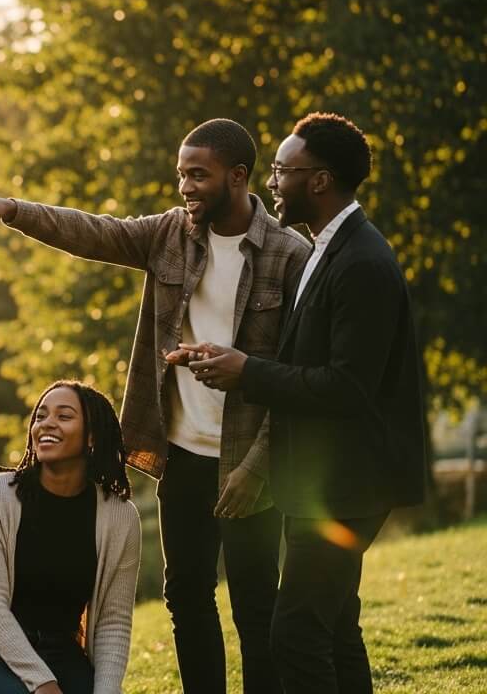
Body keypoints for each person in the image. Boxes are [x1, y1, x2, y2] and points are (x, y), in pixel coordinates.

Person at [0, 118, 311, 694]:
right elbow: (93, 232)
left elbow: (294, 378)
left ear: (238, 177)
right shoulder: (170, 234)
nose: (185, 187)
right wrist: (11, 210)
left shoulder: (292, 256)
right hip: (182, 454)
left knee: (255, 603)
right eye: (180, 175)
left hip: (249, 460)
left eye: (198, 175)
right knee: (188, 597)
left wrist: (256, 468)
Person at [170, 113, 427, 694]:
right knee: (335, 629)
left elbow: (348, 387)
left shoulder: (363, 263)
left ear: (319, 181)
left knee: (296, 633)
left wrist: (246, 372)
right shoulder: (324, 250)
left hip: (349, 485)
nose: (271, 183)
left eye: (283, 171)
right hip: (328, 480)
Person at [0, 381, 140, 694]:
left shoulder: (120, 516)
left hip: (65, 651)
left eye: (64, 416)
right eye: (41, 416)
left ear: (92, 436)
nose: (46, 424)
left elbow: (114, 620)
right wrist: (41, 683)